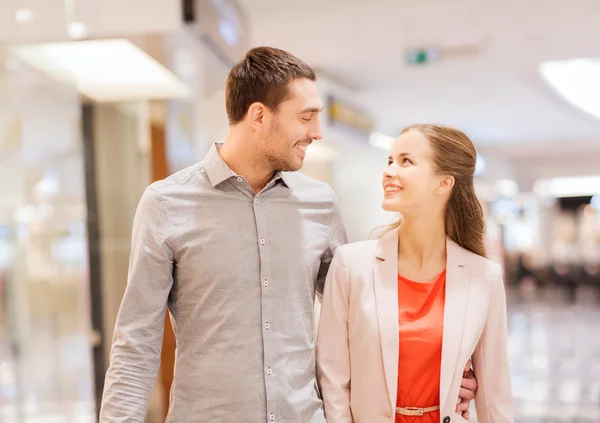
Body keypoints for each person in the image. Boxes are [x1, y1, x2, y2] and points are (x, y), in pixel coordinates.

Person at [99, 47, 478, 422]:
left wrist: (438, 373)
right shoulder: (166, 204)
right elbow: (136, 343)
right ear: (260, 116)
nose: (316, 133)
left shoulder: (321, 205)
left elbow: (362, 320)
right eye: (306, 117)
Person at [316, 124, 514, 423]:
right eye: (390, 161)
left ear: (444, 183)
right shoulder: (351, 265)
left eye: (406, 161)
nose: (389, 171)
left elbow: (495, 392)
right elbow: (332, 379)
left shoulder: (483, 277)